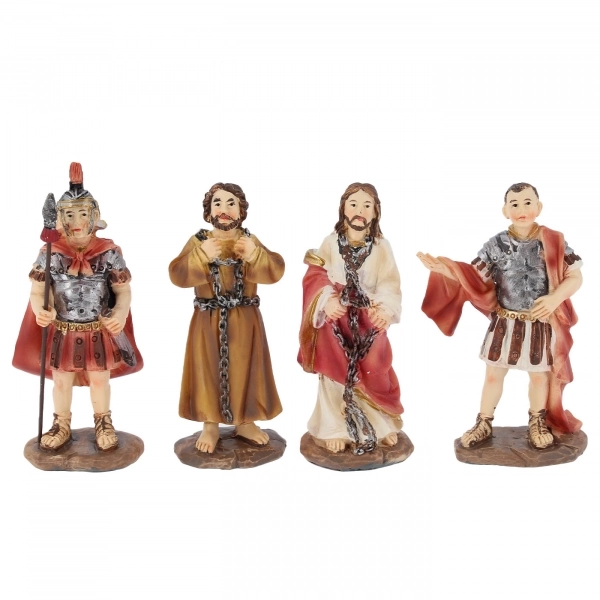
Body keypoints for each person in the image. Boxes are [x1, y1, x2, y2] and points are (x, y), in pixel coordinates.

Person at [418, 182, 582, 449]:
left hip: (540, 323)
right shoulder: (495, 245)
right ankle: (483, 422)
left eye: (527, 202)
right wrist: (445, 269)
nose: (521, 209)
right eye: (514, 204)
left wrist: (555, 299)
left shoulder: (554, 242)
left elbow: (575, 276)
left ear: (539, 207)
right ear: (505, 211)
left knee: (539, 377)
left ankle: (537, 421)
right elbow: (474, 277)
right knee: (494, 375)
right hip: (505, 323)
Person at [13, 163, 142, 451]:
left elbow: (122, 290)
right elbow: (39, 290)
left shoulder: (108, 252)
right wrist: (42, 309)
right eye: (69, 214)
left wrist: (120, 313)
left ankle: (103, 422)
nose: (77, 220)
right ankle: (61, 424)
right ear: (60, 218)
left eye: (83, 213)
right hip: (64, 328)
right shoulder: (51, 253)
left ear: (94, 215)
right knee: (61, 382)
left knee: (99, 381)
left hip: (98, 328)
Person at [169, 183, 284, 454]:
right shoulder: (199, 241)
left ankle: (246, 421)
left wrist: (255, 255)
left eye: (231, 203)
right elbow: (177, 273)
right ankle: (210, 424)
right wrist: (201, 256)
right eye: (217, 203)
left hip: (245, 319)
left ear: (241, 210)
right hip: (207, 318)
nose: (224, 209)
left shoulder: (250, 240)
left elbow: (276, 269)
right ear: (208, 211)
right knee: (208, 368)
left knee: (247, 367)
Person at [298, 182, 403, 454]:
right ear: (343, 209)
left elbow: (390, 283)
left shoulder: (381, 247)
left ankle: (379, 425)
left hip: (368, 319)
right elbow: (316, 275)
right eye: (353, 204)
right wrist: (327, 300)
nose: (360, 211)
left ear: (375, 212)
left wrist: (385, 310)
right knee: (334, 370)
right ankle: (334, 428)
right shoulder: (331, 243)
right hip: (337, 318)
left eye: (367, 206)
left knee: (376, 369)